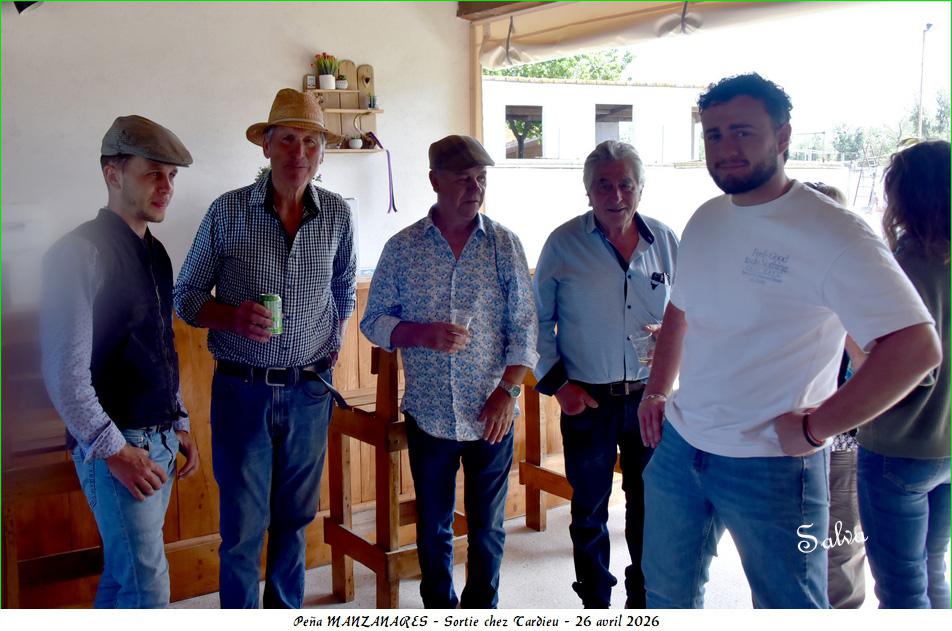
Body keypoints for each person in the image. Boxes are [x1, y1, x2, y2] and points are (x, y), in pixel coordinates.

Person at [637, 73, 941, 609]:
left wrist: (817, 427)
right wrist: (657, 390)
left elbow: (917, 347)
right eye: (713, 135)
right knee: (665, 596)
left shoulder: (835, 230)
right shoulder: (707, 218)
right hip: (682, 447)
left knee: (789, 608)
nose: (726, 148)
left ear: (782, 137)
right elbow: (681, 310)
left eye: (743, 132)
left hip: (773, 462)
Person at [173, 89, 356, 608]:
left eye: (311, 142)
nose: (300, 152)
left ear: (321, 154)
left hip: (310, 391)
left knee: (294, 523)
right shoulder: (227, 211)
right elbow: (185, 296)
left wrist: (335, 340)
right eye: (289, 139)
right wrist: (230, 316)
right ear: (266, 146)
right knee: (242, 532)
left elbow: (344, 288)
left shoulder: (337, 214)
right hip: (243, 391)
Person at [360, 135, 538, 609]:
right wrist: (420, 334)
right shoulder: (403, 248)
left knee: (487, 527)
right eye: (463, 179)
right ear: (435, 180)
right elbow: (372, 320)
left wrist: (508, 391)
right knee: (434, 526)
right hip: (430, 413)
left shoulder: (504, 245)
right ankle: (439, 610)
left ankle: (482, 612)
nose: (475, 188)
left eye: (481, 178)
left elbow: (525, 327)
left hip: (492, 414)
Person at [41, 115, 200, 608]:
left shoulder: (157, 254)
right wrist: (116, 451)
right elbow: (64, 374)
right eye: (153, 173)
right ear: (113, 174)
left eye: (171, 176)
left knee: (123, 576)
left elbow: (160, 347)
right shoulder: (77, 253)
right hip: (118, 446)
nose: (166, 187)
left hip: (158, 439)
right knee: (147, 588)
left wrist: (179, 422)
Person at [532, 140, 678, 609]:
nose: (616, 195)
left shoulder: (666, 241)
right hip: (587, 401)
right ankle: (594, 603)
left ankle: (643, 599)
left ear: (641, 189)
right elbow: (536, 321)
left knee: (649, 505)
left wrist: (675, 335)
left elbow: (691, 310)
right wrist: (559, 387)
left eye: (626, 184)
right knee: (590, 509)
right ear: (588, 190)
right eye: (604, 185)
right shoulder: (563, 243)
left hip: (651, 398)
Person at [854, 140, 950, 609]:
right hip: (947, 444)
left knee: (902, 591)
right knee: (935, 572)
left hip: (900, 445)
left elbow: (903, 371)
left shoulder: (902, 267)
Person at [803, 182, 867, 609]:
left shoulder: (854, 284)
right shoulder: (784, 279)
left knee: (839, 550)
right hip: (783, 441)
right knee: (783, 552)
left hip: (840, 441)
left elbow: (870, 366)